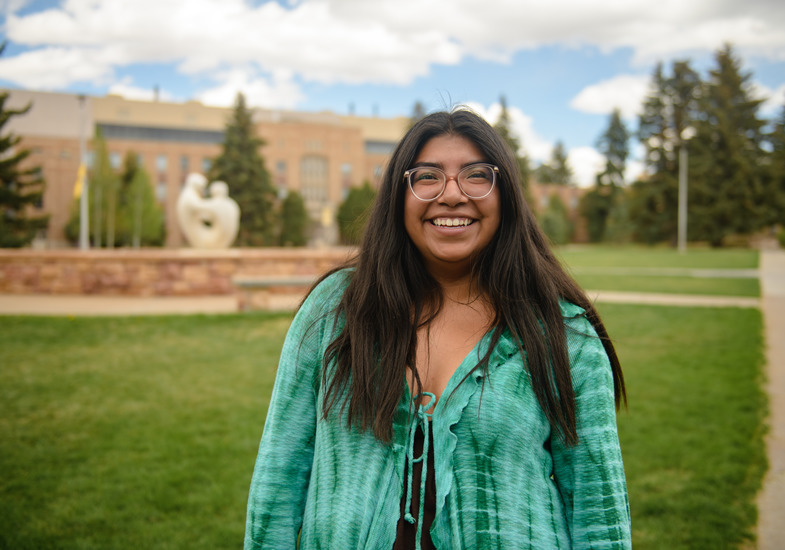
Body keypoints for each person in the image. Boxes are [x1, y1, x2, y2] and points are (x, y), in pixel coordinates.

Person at [244, 108, 631, 549]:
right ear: (398, 195)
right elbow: (277, 485)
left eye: (476, 176)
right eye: (427, 176)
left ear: (504, 195)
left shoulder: (561, 334)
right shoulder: (335, 310)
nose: (451, 195)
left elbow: (600, 516)